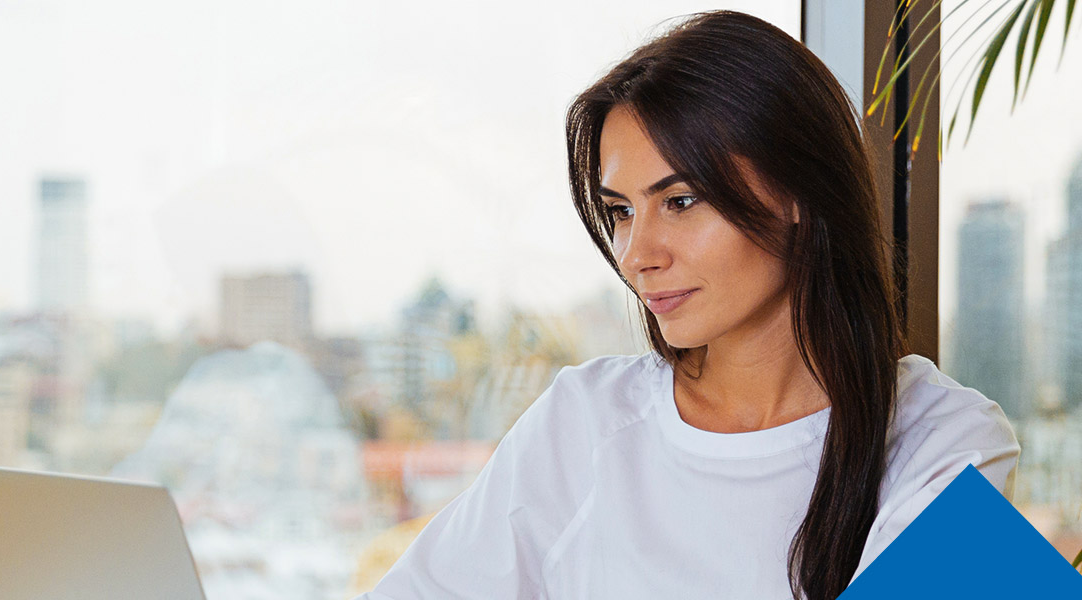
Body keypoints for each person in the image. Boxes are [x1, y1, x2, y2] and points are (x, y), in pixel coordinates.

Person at [357, 10, 1018, 600]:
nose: (637, 253)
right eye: (620, 211)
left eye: (680, 201)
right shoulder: (583, 423)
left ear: (797, 192)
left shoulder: (945, 439)